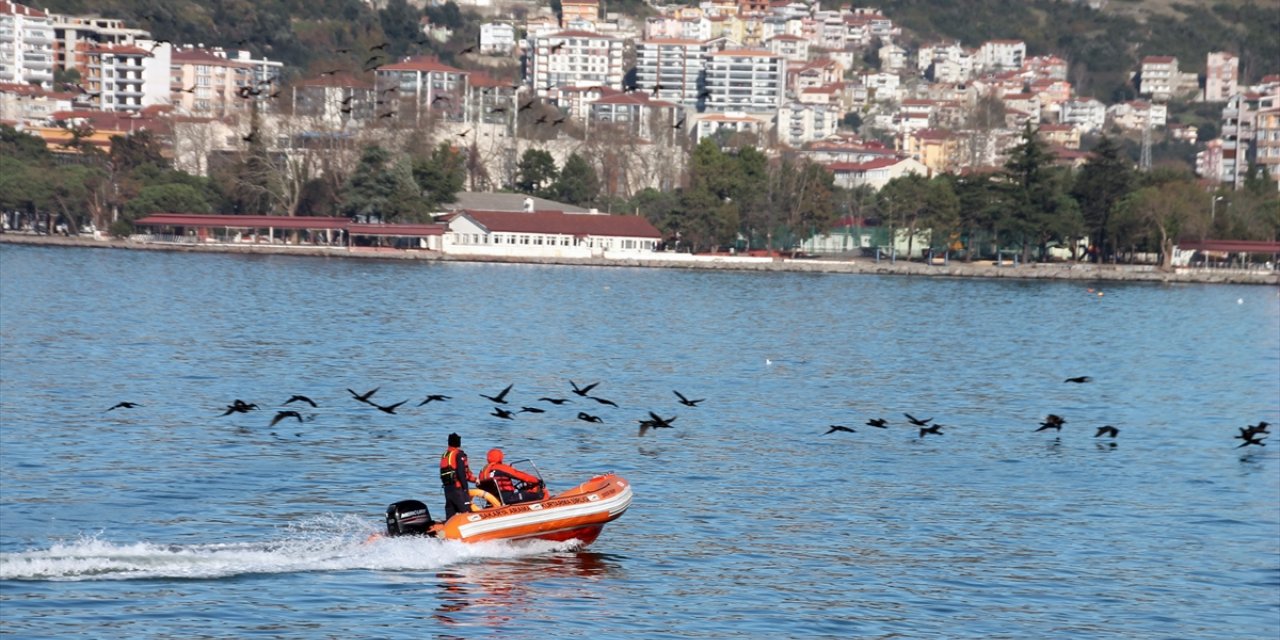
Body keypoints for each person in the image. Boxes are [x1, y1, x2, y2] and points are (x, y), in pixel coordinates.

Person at [478, 448, 545, 505]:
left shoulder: (483, 471)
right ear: (500, 457)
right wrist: (537, 481)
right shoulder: (502, 468)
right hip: (508, 499)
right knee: (538, 494)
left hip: (491, 501)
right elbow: (520, 475)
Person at [439, 432, 476, 519]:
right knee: (467, 513)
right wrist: (465, 488)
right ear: (458, 443)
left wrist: (474, 479)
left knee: (450, 516)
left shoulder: (445, 455)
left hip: (447, 490)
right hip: (457, 489)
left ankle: (447, 529)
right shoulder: (459, 455)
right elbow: (461, 473)